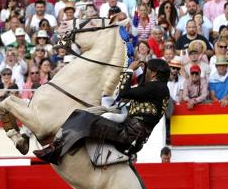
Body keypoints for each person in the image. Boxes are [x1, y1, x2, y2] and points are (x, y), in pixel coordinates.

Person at [34, 59, 171, 164]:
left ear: (153, 73)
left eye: (148, 70)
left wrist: (129, 70)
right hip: (133, 131)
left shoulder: (156, 87)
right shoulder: (160, 89)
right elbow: (141, 85)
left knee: (85, 119)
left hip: (129, 133)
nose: (145, 72)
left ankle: (55, 151)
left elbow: (125, 92)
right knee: (92, 111)